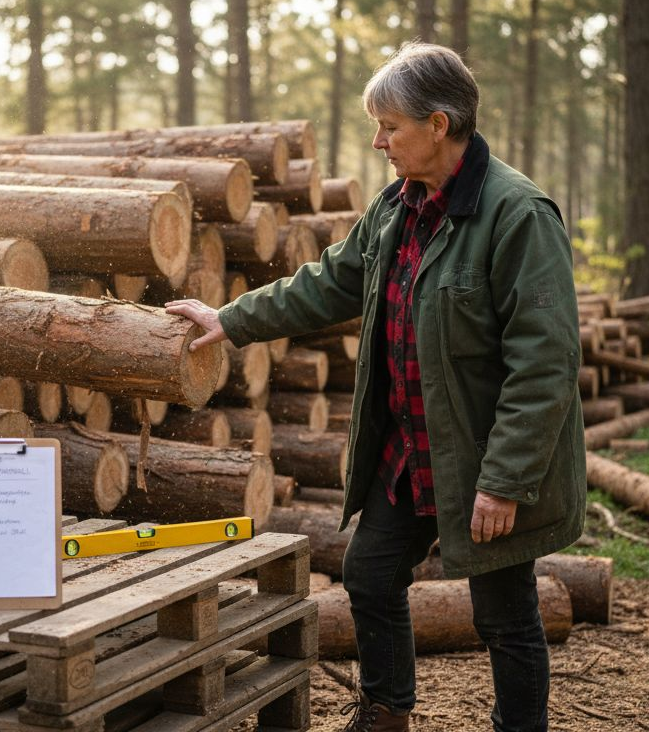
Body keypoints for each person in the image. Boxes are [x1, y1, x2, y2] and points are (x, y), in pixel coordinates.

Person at [166, 42, 585, 732]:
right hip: (411, 448)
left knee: (504, 615)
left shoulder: (518, 215)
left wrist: (506, 480)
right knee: (369, 572)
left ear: (439, 125)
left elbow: (546, 365)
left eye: (390, 126)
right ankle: (387, 714)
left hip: (484, 458)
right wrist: (230, 319)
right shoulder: (397, 205)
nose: (378, 141)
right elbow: (328, 282)